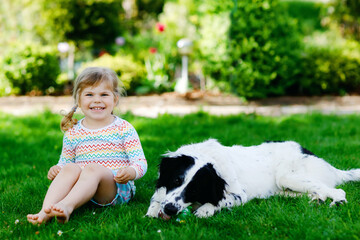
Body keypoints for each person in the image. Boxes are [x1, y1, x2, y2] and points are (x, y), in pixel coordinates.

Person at [27, 67, 147, 224]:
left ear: (115, 99)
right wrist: (57, 169)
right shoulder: (73, 132)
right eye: (89, 94)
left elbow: (140, 162)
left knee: (93, 168)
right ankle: (44, 212)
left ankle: (67, 206)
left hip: (114, 189)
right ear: (79, 100)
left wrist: (131, 172)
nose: (97, 100)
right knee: (70, 168)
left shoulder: (124, 128)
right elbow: (65, 162)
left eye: (104, 94)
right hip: (82, 190)